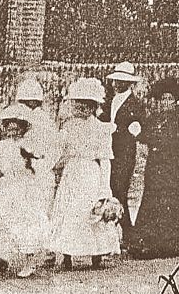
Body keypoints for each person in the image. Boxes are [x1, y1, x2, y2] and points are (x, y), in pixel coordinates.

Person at [48, 78, 123, 269]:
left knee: (90, 211)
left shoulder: (100, 128)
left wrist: (105, 188)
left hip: (90, 173)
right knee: (69, 211)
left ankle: (96, 254)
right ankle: (67, 254)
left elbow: (105, 159)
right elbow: (60, 152)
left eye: (86, 106)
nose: (80, 110)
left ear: (94, 107)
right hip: (72, 172)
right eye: (77, 105)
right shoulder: (68, 127)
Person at [128, 77, 179, 259]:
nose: (166, 103)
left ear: (175, 101)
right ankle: (152, 243)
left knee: (176, 201)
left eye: (169, 99)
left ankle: (176, 243)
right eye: (163, 99)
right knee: (154, 200)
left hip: (177, 167)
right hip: (156, 166)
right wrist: (137, 132)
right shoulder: (154, 118)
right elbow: (146, 136)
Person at [0, 104, 51, 279]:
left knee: (25, 224)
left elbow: (39, 162)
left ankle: (29, 262)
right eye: (9, 128)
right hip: (6, 187)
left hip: (24, 188)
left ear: (23, 128)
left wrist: (31, 159)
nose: (13, 132)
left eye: (17, 128)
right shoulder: (1, 146)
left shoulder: (28, 145)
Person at [104, 61, 145, 248]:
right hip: (108, 151)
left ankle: (129, 235)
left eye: (121, 81)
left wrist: (118, 130)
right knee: (111, 190)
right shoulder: (109, 101)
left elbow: (138, 130)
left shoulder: (135, 105)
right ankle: (123, 235)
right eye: (116, 80)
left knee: (120, 190)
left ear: (129, 83)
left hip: (124, 154)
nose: (117, 84)